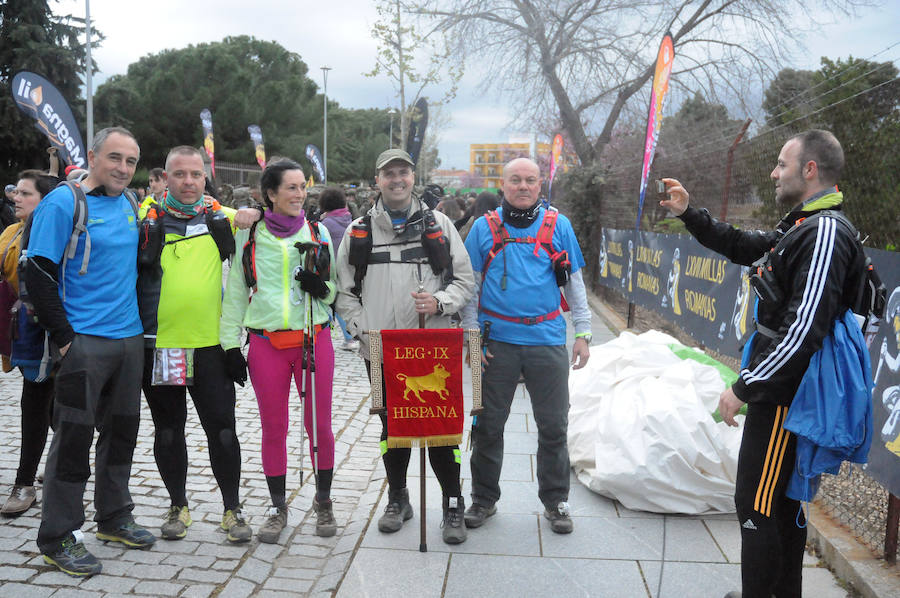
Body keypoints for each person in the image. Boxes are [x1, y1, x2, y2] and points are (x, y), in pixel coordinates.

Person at [658, 130, 863, 598]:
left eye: (781, 165)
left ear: (809, 169)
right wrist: (690, 213)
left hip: (786, 396)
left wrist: (745, 386)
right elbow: (744, 244)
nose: (773, 173)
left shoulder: (824, 232)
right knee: (778, 502)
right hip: (783, 390)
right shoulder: (804, 225)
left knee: (757, 503)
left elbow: (803, 329)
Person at [26, 126, 155, 577]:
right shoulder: (64, 202)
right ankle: (57, 537)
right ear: (93, 156)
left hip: (128, 340)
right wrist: (65, 338)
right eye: (115, 157)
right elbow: (38, 272)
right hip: (83, 342)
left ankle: (114, 516)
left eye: (131, 161)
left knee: (121, 432)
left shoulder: (131, 203)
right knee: (74, 438)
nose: (123, 168)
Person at [334, 149, 475, 544]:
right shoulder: (358, 231)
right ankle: (398, 498)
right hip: (381, 350)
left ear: (413, 177)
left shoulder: (439, 225)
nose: (397, 179)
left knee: (441, 426)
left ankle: (452, 503)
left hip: (431, 349)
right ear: (377, 180)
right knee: (390, 425)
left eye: (403, 172)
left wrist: (440, 302)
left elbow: (465, 281)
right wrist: (364, 331)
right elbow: (344, 291)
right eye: (389, 173)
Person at [461, 157, 591, 535]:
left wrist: (583, 333)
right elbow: (470, 288)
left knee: (554, 426)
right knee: (488, 426)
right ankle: (483, 499)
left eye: (530, 180)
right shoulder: (483, 228)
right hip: (496, 344)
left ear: (540, 185)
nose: (522, 186)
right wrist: (472, 338)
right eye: (515, 180)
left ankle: (556, 501)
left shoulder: (559, 226)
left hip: (547, 341)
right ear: (502, 185)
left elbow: (575, 284)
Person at [137, 146, 251, 543]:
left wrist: (256, 212)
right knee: (169, 431)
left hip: (209, 347)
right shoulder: (145, 218)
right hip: (163, 346)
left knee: (223, 431)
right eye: (179, 174)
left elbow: (268, 222)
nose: (188, 181)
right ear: (165, 178)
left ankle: (232, 509)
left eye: (196, 174)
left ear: (205, 178)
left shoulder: (221, 217)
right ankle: (177, 505)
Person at [220, 158, 338, 543]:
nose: (300, 194)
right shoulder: (251, 235)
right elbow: (236, 290)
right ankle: (276, 506)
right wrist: (229, 345)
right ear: (271, 193)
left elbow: (334, 289)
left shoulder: (318, 231)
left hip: (312, 339)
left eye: (303, 187)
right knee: (274, 427)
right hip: (266, 344)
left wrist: (320, 288)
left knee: (319, 425)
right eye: (291, 187)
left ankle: (324, 501)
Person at [0, 170, 59, 516]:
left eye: (25, 193)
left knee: (51, 404)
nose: (16, 198)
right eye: (16, 192)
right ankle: (31, 479)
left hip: (61, 329)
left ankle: (31, 480)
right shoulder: (11, 232)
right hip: (27, 328)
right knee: (38, 402)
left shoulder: (59, 235)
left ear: (46, 202)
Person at [318, 186, 358, 351]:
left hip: (333, 269)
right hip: (351, 266)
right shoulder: (349, 219)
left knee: (333, 302)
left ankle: (348, 337)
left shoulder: (326, 223)